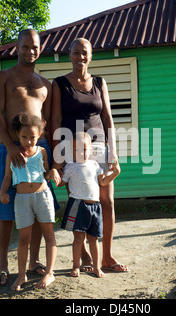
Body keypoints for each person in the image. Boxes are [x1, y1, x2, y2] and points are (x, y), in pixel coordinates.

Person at [51, 38, 129, 273]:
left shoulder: (99, 82)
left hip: (99, 149)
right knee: (78, 202)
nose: (80, 57)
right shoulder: (59, 84)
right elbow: (54, 120)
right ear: (70, 55)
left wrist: (113, 151)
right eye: (76, 53)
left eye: (85, 53)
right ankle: (84, 254)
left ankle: (106, 256)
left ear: (91, 56)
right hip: (70, 151)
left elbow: (107, 118)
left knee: (106, 202)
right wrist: (57, 156)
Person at [0, 29, 58, 285]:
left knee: (40, 206)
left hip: (38, 151)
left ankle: (33, 260)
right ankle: (3, 263)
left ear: (40, 49)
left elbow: (49, 123)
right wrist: (10, 146)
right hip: (10, 150)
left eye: (35, 47)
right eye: (26, 46)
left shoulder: (45, 85)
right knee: (5, 207)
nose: (31, 51)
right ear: (17, 48)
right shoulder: (3, 77)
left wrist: (53, 161)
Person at [0, 113, 59, 290]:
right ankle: (21, 275)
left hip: (43, 196)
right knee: (23, 239)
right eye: (24, 137)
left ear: (39, 135)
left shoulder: (42, 152)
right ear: (18, 135)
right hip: (22, 200)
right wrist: (3, 193)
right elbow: (7, 177)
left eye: (32, 137)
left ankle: (49, 273)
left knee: (49, 235)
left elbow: (46, 173)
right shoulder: (13, 154)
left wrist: (53, 172)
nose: (28, 141)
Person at [58, 132, 121, 278]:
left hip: (95, 207)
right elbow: (62, 183)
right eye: (76, 150)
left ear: (91, 149)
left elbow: (103, 182)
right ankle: (75, 266)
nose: (81, 152)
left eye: (84, 149)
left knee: (94, 239)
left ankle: (97, 267)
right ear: (71, 151)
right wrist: (54, 173)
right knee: (78, 238)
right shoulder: (70, 167)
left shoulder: (95, 165)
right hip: (77, 205)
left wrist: (116, 172)